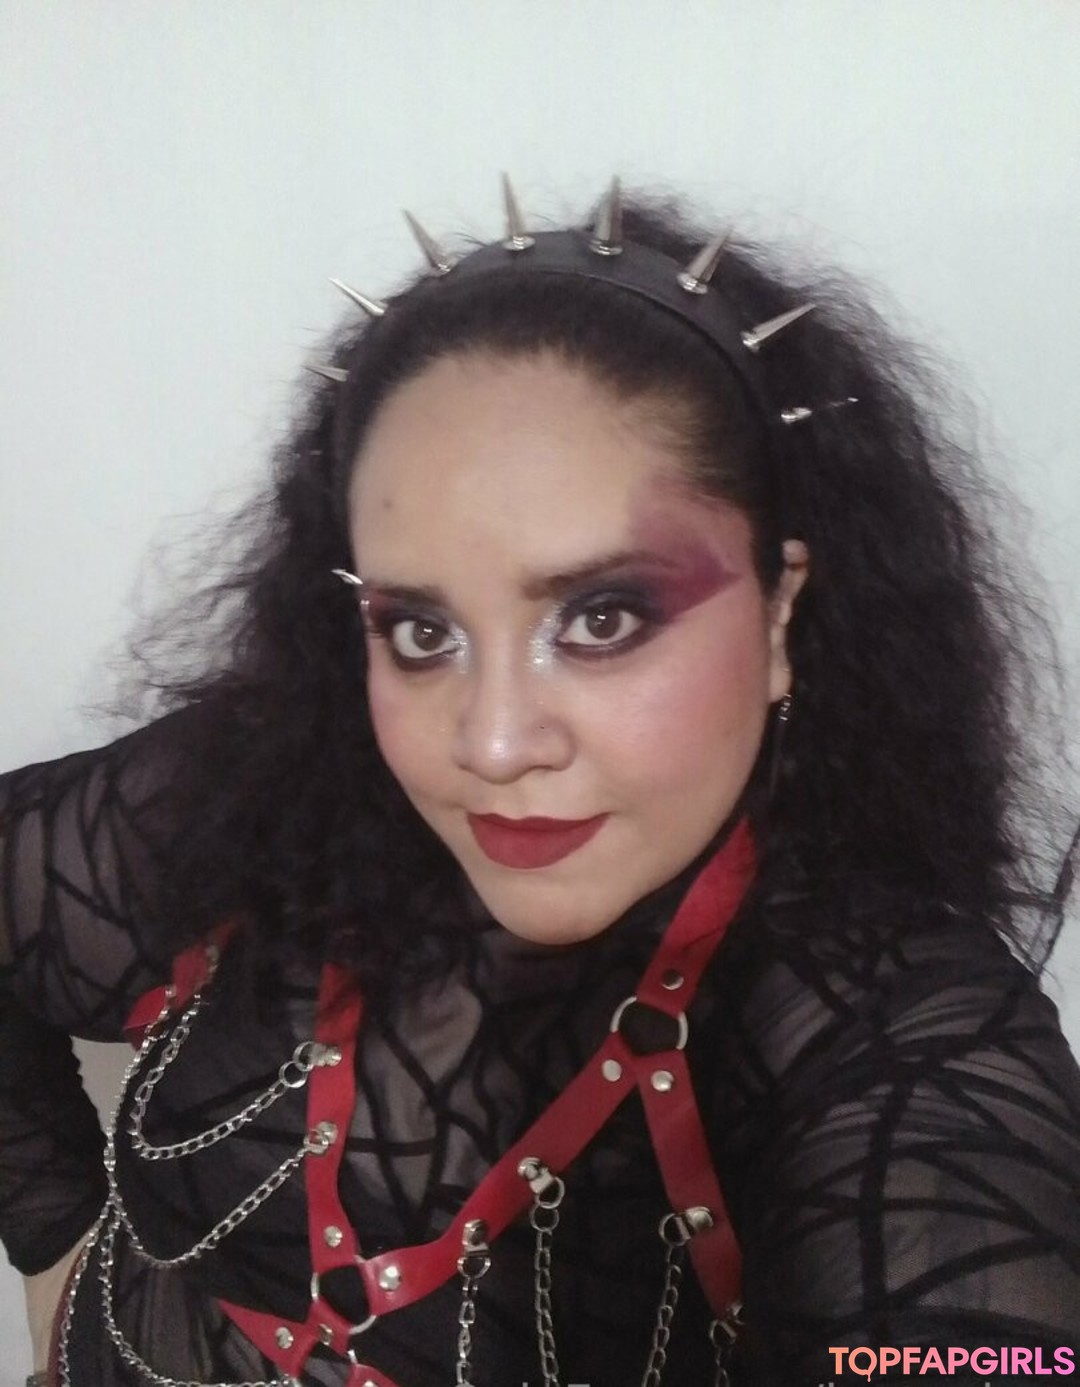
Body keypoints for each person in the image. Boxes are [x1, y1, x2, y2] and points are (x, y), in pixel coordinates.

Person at [2, 179, 1079, 1387]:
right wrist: (57, 1241)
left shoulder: (887, 1032)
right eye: (421, 631)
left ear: (781, 611)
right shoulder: (258, 802)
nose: (495, 743)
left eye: (602, 617)